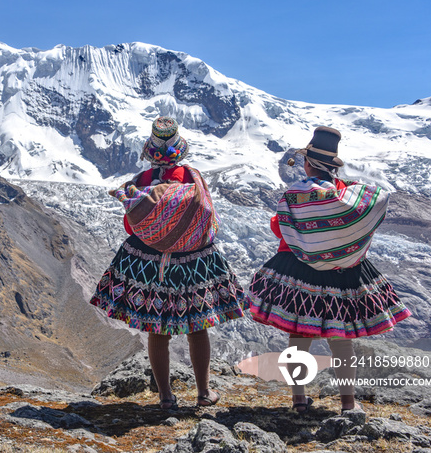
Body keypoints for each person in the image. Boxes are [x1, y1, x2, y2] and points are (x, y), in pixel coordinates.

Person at [247, 126, 412, 413]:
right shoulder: (348, 195)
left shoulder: (293, 195)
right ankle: (348, 403)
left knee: (299, 335)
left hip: (298, 274)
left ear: (307, 163)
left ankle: (299, 399)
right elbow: (370, 212)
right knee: (341, 339)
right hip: (342, 274)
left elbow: (279, 227)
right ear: (333, 165)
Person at [90, 116, 245, 410]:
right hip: (193, 261)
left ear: (151, 152)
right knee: (197, 327)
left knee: (157, 329)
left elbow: (129, 225)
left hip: (147, 260)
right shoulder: (192, 178)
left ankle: (165, 397)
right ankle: (203, 393)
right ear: (179, 151)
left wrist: (156, 229)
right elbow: (208, 218)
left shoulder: (140, 184)